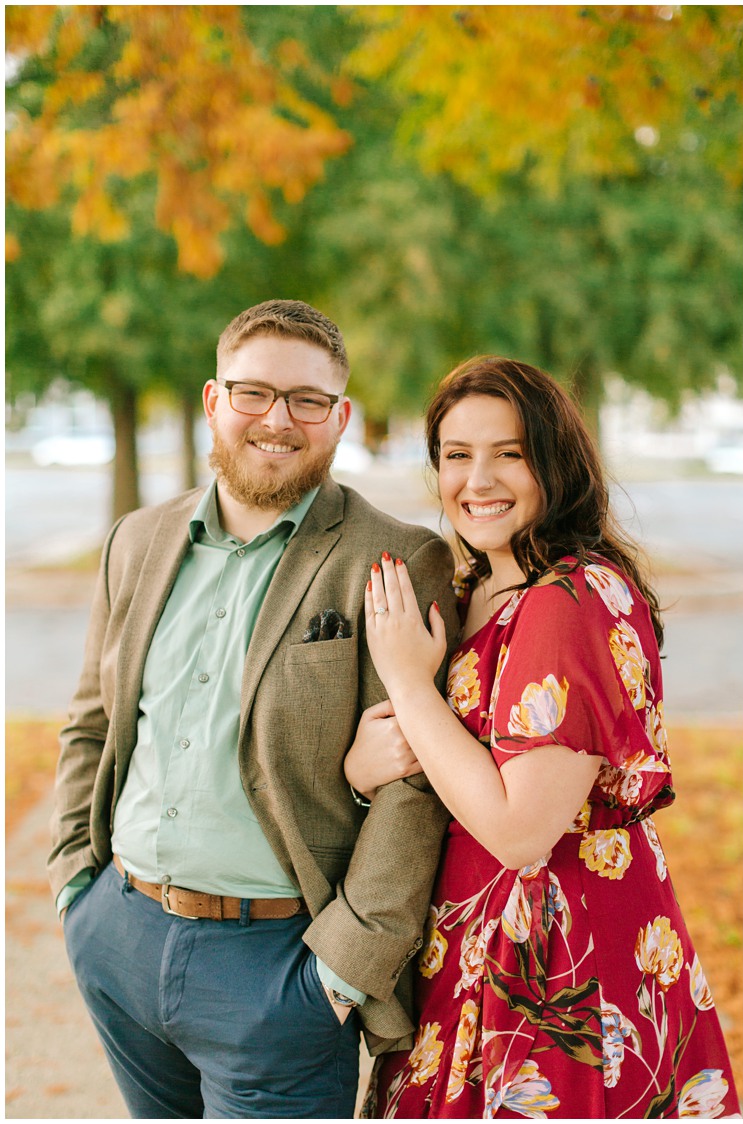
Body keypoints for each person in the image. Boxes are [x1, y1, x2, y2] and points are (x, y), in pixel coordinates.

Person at [48, 299, 460, 1117]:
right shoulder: (136, 540)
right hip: (119, 936)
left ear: (340, 417)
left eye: (308, 400)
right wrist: (74, 887)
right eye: (253, 393)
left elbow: (417, 781)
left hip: (278, 971)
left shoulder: (396, 557)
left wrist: (340, 971)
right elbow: (93, 718)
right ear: (213, 401)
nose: (279, 420)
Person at [350, 356, 740, 1118]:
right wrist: (367, 770)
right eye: (456, 456)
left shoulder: (567, 599)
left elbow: (521, 829)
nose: (478, 480)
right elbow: (452, 764)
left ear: (554, 461)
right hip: (468, 955)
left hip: (550, 978)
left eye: (509, 453)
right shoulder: (477, 589)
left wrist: (403, 681)